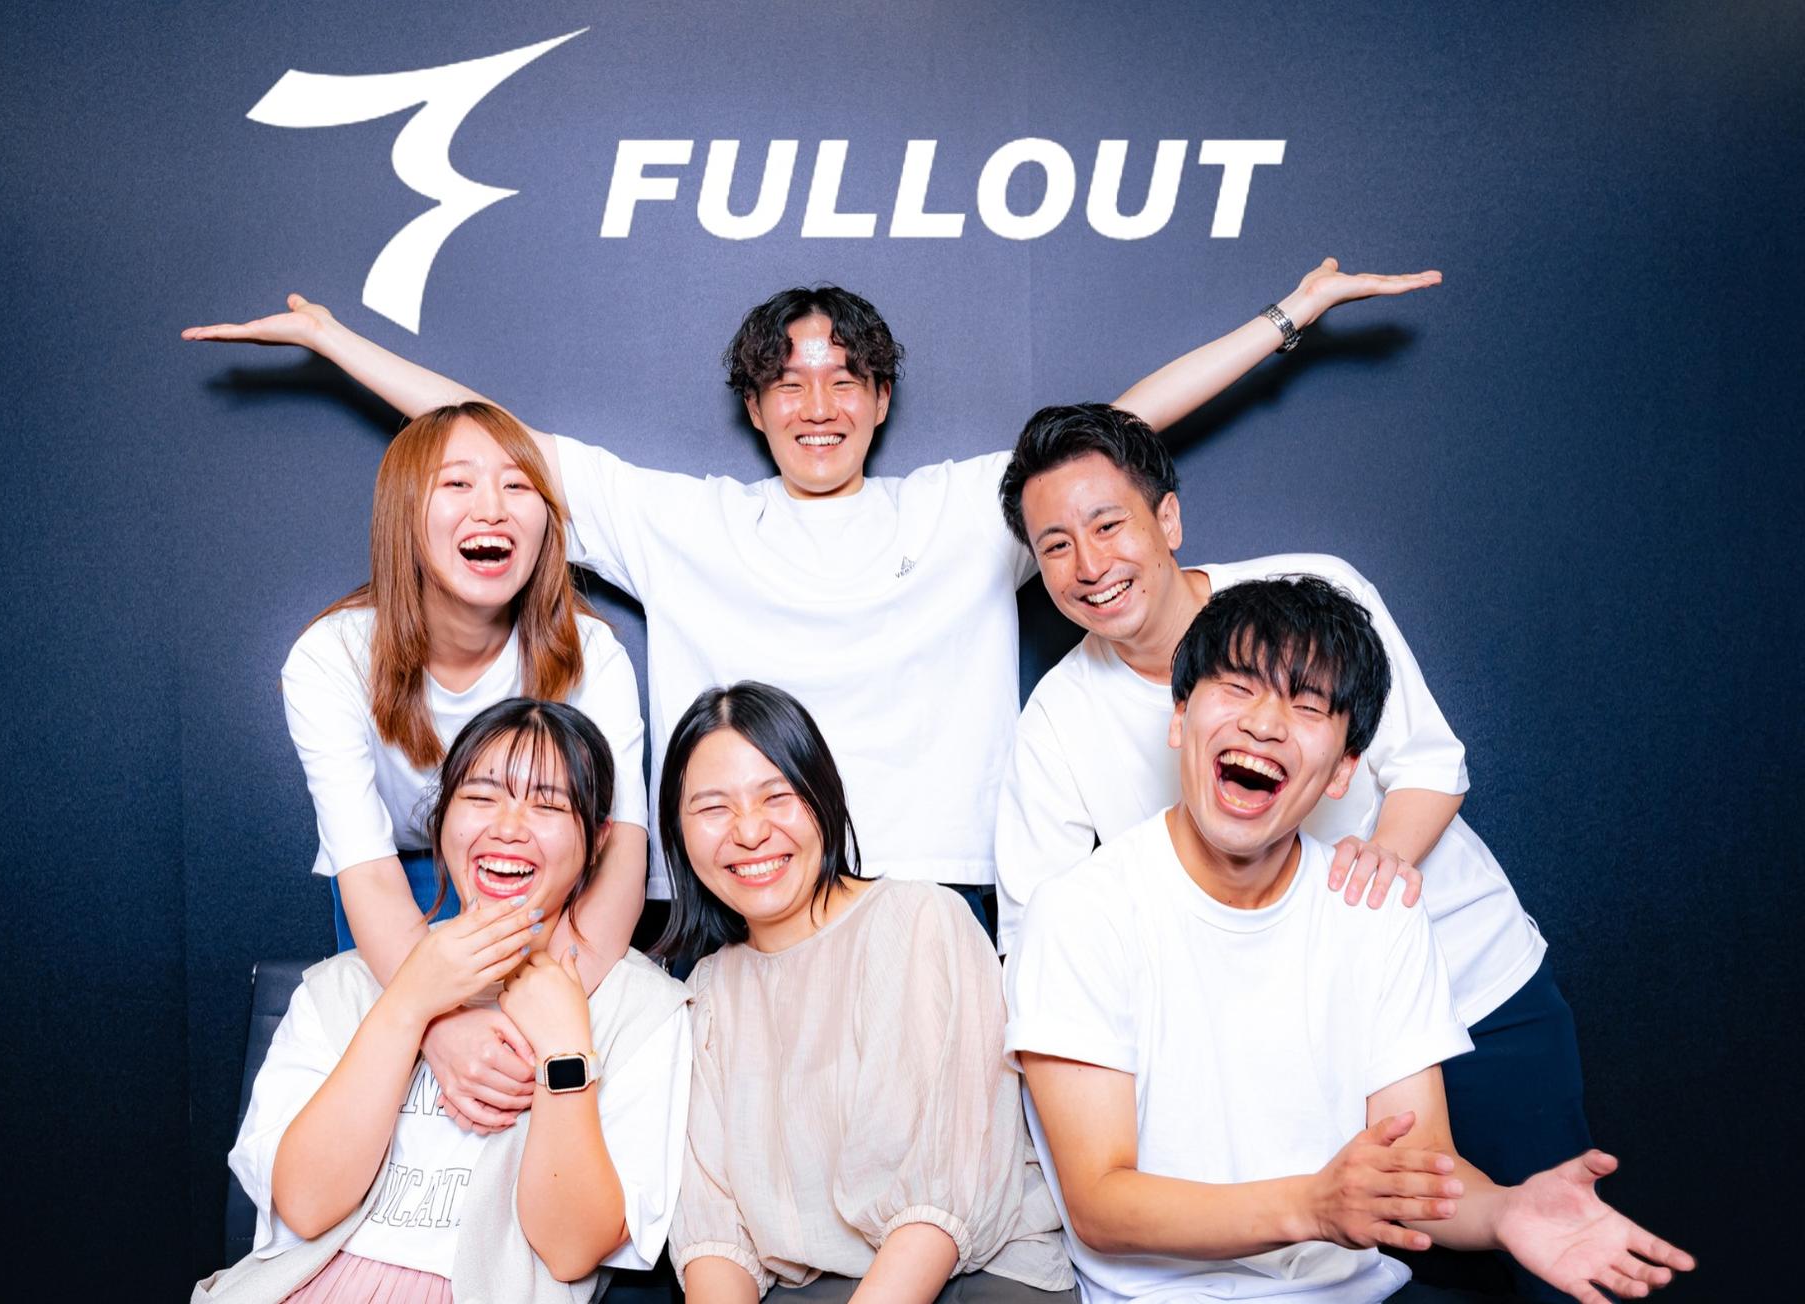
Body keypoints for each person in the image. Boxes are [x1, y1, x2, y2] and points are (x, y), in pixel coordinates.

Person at [184, 259, 1439, 929]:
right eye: (788, 380)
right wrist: (336, 343)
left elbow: (1121, 427)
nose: (818, 402)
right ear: (756, 405)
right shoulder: (684, 520)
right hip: (732, 897)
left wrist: (1289, 316)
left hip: (932, 891)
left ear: (880, 399)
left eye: (845, 378)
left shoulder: (963, 507)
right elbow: (498, 444)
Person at [993, 404, 1588, 1297]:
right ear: (1182, 718)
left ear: (1167, 518)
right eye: (1055, 546)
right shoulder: (1057, 725)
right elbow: (1040, 936)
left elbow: (1429, 763)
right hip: (1304, 1056)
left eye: (1108, 525)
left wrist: (1377, 873)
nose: (1089, 564)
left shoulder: (1313, 598)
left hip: (1471, 980)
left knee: (1547, 1247)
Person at [1004, 578, 1694, 1304]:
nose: (1265, 724)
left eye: (1307, 707)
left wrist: (1505, 1212)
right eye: (1237, 688)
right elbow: (1102, 1205)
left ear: (1342, 770)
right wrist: (1312, 1206)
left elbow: (1419, 1166)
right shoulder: (1080, 913)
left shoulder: (1375, 911)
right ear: (1180, 716)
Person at [198, 698, 692, 1303]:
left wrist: (565, 1050)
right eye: (481, 797)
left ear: (597, 840)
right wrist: (408, 1004)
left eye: (546, 805)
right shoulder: (340, 989)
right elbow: (305, 1205)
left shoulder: (644, 1012)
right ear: (442, 821)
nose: (507, 827)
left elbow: (570, 1249)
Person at [279, 401, 650, 1135]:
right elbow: (366, 870)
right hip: (401, 891)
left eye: (518, 486)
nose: (493, 509)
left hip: (551, 900)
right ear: (404, 514)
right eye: (457, 484)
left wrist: (535, 1026)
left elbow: (622, 853)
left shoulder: (593, 655)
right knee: (402, 1115)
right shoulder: (330, 657)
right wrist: (436, 1025)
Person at [649, 682, 1074, 1303]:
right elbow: (715, 1241)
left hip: (965, 1280)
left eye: (776, 796)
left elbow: (936, 1213)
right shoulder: (706, 996)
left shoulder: (922, 923)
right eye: (714, 809)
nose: (750, 831)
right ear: (678, 832)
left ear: (822, 795)